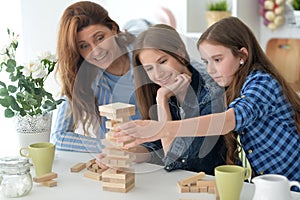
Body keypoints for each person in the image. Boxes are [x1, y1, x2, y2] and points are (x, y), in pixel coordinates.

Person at [112, 17, 300, 187]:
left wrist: (160, 128)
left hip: (292, 181)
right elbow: (163, 151)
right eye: (206, 61)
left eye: (217, 59)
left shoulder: (261, 82)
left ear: (242, 56)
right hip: (269, 183)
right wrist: (126, 154)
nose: (210, 69)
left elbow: (227, 121)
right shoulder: (233, 85)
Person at [97, 24, 226, 174]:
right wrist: (124, 155)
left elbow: (174, 160)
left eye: (162, 61)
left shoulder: (212, 94)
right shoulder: (158, 90)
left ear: (180, 53)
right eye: (149, 68)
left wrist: (162, 99)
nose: (158, 75)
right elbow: (156, 147)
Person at [51, 1, 150, 152]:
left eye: (100, 38)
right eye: (84, 46)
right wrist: (107, 146)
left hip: (159, 157)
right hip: (119, 160)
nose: (96, 51)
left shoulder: (146, 54)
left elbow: (195, 75)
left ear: (114, 29)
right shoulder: (83, 78)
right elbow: (59, 137)